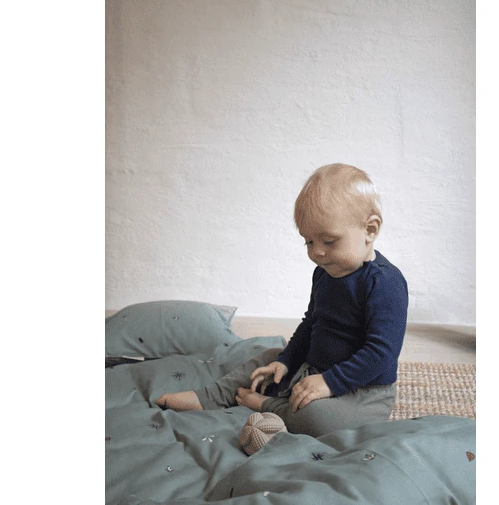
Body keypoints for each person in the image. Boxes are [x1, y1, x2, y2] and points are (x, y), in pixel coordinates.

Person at [155, 163, 409, 437]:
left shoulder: (385, 283)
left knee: (317, 419)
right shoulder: (324, 273)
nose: (317, 253)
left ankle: (270, 406)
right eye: (309, 242)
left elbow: (381, 353)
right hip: (314, 372)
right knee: (267, 360)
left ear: (370, 230)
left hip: (362, 392)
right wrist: (286, 361)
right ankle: (209, 396)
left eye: (329, 241)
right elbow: (311, 324)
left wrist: (329, 382)